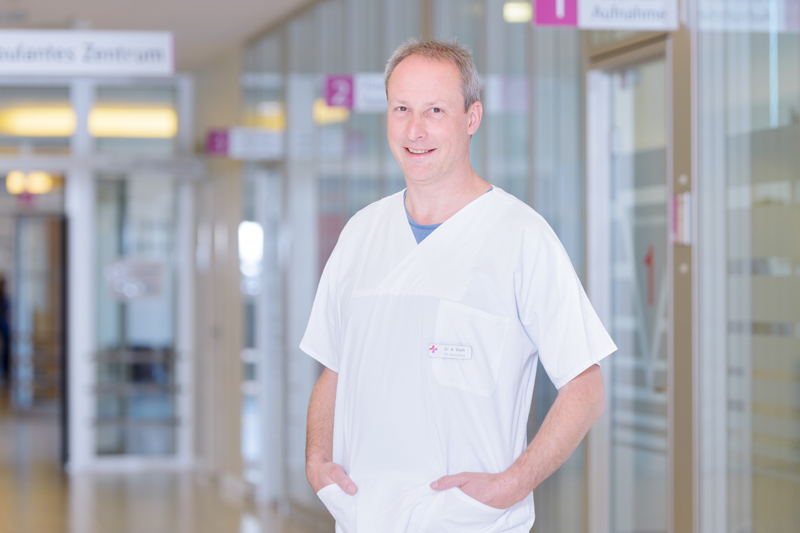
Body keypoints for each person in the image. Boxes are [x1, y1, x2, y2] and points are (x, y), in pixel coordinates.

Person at [301, 39, 616, 533]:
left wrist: (511, 486)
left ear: (472, 118)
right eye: (401, 109)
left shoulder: (520, 235)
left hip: (470, 522)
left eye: (435, 111)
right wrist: (317, 462)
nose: (415, 130)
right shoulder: (361, 233)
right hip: (364, 517)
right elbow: (334, 367)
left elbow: (586, 386)